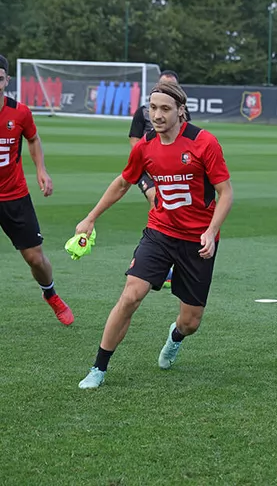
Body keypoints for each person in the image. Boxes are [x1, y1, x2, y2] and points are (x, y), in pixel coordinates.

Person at [77, 80, 233, 389]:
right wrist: (90, 218)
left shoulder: (204, 142)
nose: (157, 115)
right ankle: (98, 368)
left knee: (190, 322)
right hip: (159, 233)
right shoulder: (145, 146)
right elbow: (123, 182)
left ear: (180, 111)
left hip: (197, 240)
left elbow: (225, 192)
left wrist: (211, 231)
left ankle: (175, 337)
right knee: (130, 296)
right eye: (152, 108)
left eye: (165, 109)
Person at [0, 55, 74, 325]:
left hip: (14, 196)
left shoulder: (20, 112)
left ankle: (50, 294)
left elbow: (32, 138)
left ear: (6, 80)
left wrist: (41, 170)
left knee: (35, 258)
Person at [128, 70, 191, 288]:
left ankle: (160, 257)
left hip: (171, 168)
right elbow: (134, 139)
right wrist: (147, 158)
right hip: (147, 168)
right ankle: (149, 257)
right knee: (157, 200)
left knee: (171, 208)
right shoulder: (143, 112)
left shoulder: (180, 110)